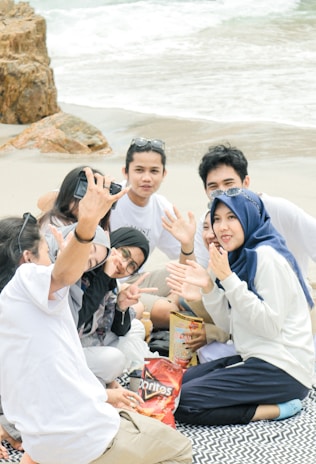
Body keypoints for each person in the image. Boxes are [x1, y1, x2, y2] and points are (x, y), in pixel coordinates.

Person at [0, 167, 192, 464]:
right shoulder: (25, 281)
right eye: (44, 252)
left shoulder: (15, 311)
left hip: (42, 443)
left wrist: (104, 395)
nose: (51, 258)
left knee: (132, 332)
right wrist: (88, 222)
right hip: (87, 440)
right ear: (26, 260)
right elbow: (64, 273)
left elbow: (61, 369)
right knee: (179, 450)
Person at [166, 188, 314, 426]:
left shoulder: (267, 257)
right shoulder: (235, 258)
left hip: (284, 369)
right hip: (253, 358)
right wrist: (209, 286)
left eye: (231, 217)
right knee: (172, 386)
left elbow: (269, 327)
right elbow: (229, 326)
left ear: (249, 217)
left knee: (181, 403)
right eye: (217, 219)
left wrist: (228, 280)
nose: (222, 227)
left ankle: (276, 409)